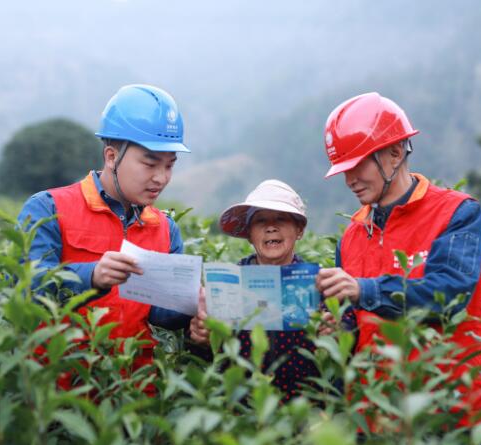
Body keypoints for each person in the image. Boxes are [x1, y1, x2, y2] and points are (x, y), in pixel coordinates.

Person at [315, 93, 481, 426]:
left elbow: (449, 295)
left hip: (445, 415)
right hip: (371, 418)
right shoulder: (352, 235)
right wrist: (339, 328)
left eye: (357, 166)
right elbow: (356, 323)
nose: (349, 180)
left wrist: (363, 290)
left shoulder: (456, 213)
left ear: (395, 153)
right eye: (344, 170)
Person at [17, 84, 192, 390]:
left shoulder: (165, 228)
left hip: (134, 393)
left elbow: (161, 314)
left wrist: (194, 306)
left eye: (169, 165)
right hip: (59, 393)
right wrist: (92, 276)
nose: (161, 178)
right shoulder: (48, 208)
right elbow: (23, 289)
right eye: (150, 163)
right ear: (112, 156)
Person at [189, 180, 337, 402]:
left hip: (304, 405)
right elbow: (208, 354)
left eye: (281, 219)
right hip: (242, 406)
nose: (271, 227)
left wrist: (333, 334)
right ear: (249, 234)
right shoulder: (229, 283)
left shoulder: (319, 284)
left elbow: (342, 349)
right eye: (260, 221)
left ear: (299, 230)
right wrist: (202, 338)